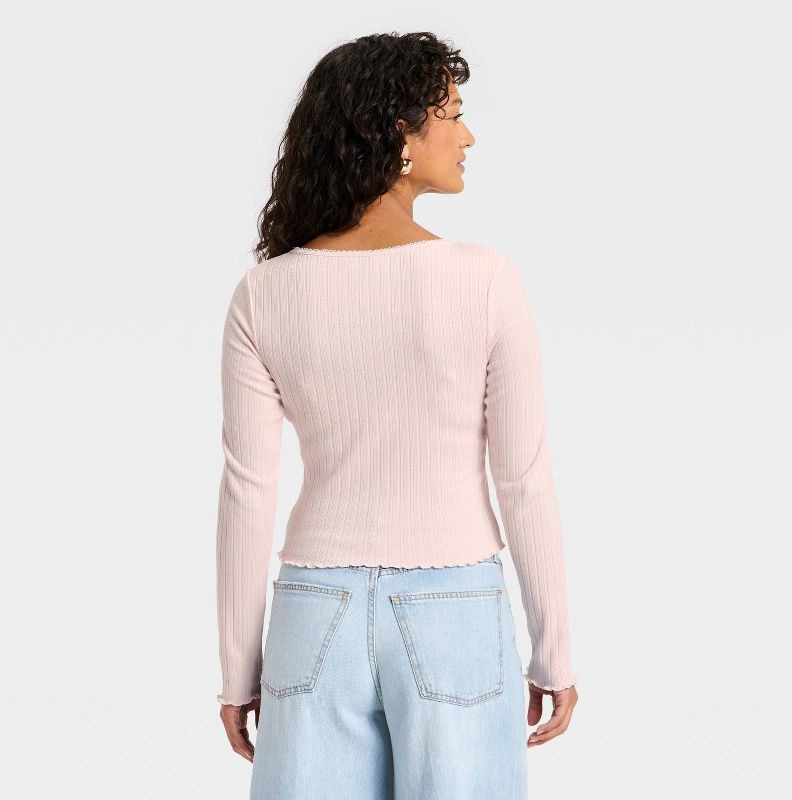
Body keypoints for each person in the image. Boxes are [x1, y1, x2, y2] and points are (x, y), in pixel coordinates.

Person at [215, 31, 579, 799]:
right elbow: (524, 480)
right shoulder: (485, 280)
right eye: (452, 114)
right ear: (399, 134)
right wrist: (554, 653)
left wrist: (238, 672)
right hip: (455, 605)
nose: (468, 135)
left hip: (314, 610)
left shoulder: (264, 294)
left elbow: (248, 491)